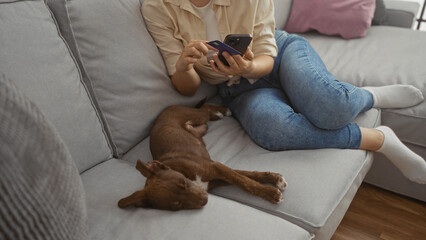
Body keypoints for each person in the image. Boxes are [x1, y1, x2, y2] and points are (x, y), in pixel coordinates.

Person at [142, 0, 426, 184]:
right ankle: (380, 139)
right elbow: (186, 87)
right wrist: (183, 67)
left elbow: (266, 55)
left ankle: (368, 96)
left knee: (332, 110)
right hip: (236, 88)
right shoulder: (157, 7)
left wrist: (246, 68)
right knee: (273, 131)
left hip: (279, 54)